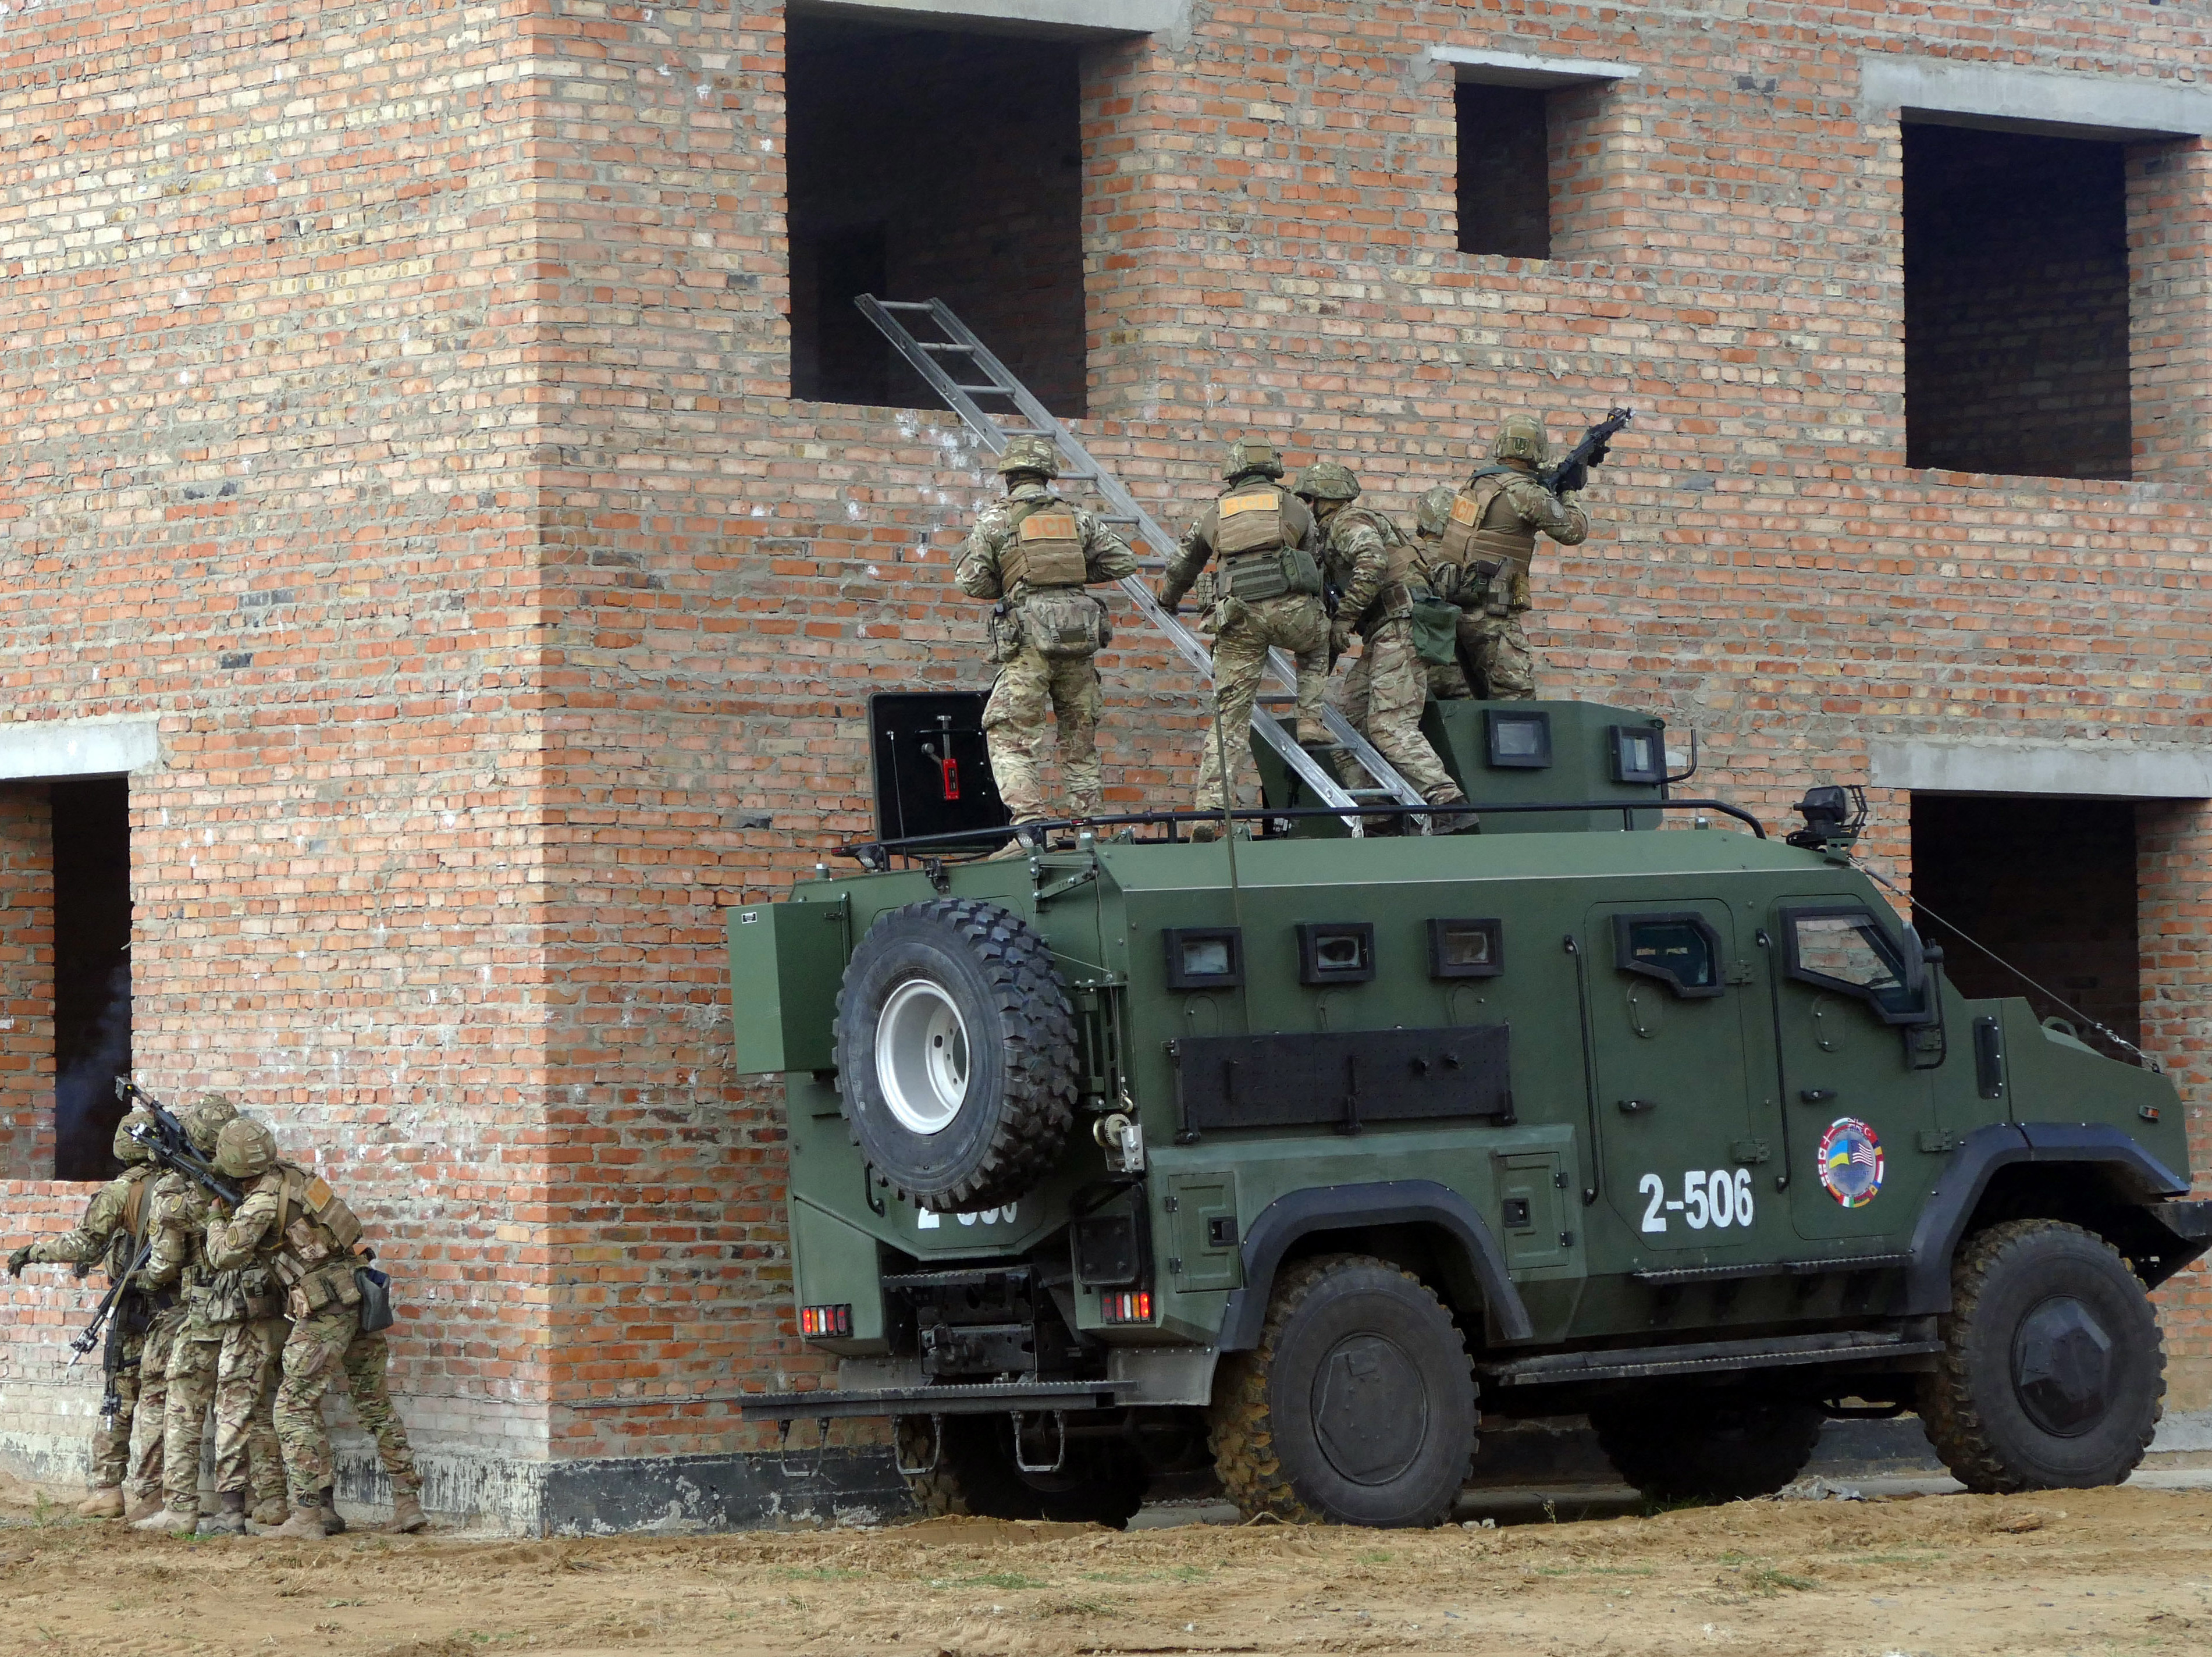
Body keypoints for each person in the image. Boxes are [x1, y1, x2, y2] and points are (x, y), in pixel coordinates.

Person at [204, 1116, 426, 1538]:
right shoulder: (298, 1178)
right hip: (360, 1295)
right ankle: (407, 1502)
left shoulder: (261, 1203)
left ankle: (306, 1515)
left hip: (327, 1311)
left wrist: (215, 1219)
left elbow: (225, 1256)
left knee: (292, 1408)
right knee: (375, 1404)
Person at [955, 436, 1138, 842]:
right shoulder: (1078, 518)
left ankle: (1032, 828)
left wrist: (1019, 579)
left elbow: (970, 582)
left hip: (1028, 646)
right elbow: (1124, 561)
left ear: (1009, 478)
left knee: (1012, 736)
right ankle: (1090, 829)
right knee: (1080, 741)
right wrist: (1067, 576)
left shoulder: (994, 520)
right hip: (1078, 642)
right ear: (1047, 476)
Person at [1157, 438, 1330, 833]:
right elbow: (1316, 558)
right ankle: (1309, 720)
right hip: (1293, 614)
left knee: (1229, 718)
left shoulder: (1215, 512)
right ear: (1273, 469)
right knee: (1319, 644)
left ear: (1232, 472)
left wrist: (1166, 599)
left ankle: (1211, 808)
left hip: (1238, 618)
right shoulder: (1295, 506)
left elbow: (1185, 563)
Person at [1295, 463, 1477, 834]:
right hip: (1384, 629)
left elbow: (1374, 561)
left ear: (1323, 501)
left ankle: (1447, 802)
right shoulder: (1330, 534)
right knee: (1347, 722)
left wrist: (1345, 619)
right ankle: (1377, 814)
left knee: (1389, 722)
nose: (1304, 508)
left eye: (1307, 500)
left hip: (1403, 623)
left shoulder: (1348, 522)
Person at [4, 1107, 165, 1519]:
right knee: (166, 1402)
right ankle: (155, 1496)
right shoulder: (181, 1186)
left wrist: (35, 1250)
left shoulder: (121, 1192)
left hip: (135, 1309)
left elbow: (85, 1245)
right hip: (179, 1312)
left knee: (119, 1398)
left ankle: (109, 1490)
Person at [131, 1095, 243, 1535]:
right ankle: (266, 1504)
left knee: (183, 1403)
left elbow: (165, 1263)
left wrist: (145, 1281)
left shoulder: (176, 1190)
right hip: (260, 1308)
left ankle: (179, 1507)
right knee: (249, 1405)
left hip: (206, 1309)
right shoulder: (260, 1179)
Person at [1424, 414, 1591, 699]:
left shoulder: (1475, 485)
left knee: (1466, 697)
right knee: (1517, 699)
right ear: (1537, 450)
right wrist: (1569, 491)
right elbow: (1574, 532)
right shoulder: (1525, 493)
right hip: (1494, 613)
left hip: (1455, 606)